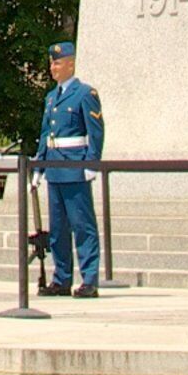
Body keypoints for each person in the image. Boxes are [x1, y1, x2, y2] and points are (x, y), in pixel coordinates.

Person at [37, 43, 105, 299]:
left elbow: (95, 132)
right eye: (51, 63)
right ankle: (61, 278)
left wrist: (91, 164)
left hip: (75, 167)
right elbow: (46, 134)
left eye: (57, 63)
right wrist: (39, 165)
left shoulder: (85, 93)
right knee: (58, 229)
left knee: (82, 225)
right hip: (55, 167)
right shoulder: (51, 97)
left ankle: (89, 279)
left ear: (70, 64)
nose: (52, 68)